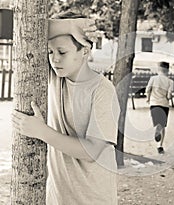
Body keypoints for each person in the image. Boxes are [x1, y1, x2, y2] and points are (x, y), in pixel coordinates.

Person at [12, 15, 120, 204]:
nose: (54, 59)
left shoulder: (103, 90)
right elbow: (24, 29)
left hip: (93, 198)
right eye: (50, 51)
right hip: (58, 197)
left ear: (85, 51)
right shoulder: (55, 77)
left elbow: (92, 151)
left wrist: (41, 132)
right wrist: (70, 25)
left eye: (62, 52)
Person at [145, 61, 174, 154]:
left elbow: (148, 89)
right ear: (167, 70)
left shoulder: (153, 78)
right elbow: (169, 96)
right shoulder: (170, 81)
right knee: (163, 126)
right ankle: (160, 146)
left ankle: (157, 128)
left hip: (154, 104)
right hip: (164, 105)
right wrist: (170, 96)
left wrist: (148, 99)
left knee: (157, 123)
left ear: (159, 69)